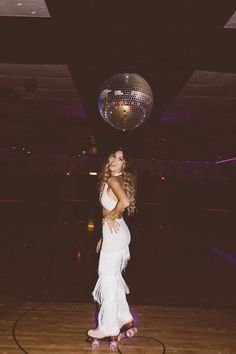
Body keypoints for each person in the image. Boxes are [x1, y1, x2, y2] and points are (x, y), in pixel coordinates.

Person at [87, 148, 137, 344]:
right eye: (114, 156)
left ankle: (108, 326)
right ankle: (125, 318)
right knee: (113, 277)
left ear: (124, 164)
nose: (115, 160)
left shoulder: (113, 180)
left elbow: (124, 202)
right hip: (116, 235)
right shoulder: (115, 178)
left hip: (115, 236)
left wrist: (110, 217)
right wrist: (102, 235)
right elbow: (111, 207)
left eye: (121, 158)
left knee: (107, 278)